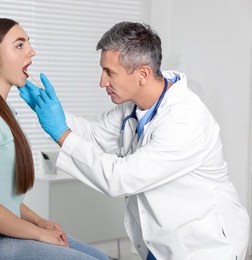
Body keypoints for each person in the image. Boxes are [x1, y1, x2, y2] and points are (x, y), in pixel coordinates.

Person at [19, 21, 250, 260]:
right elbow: (94, 136)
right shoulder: (134, 105)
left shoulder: (185, 121)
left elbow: (121, 178)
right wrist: (49, 111)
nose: (102, 82)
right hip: (161, 243)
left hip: (203, 247)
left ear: (143, 73)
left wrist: (60, 131)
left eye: (110, 72)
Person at [0, 18, 109, 260]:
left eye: (28, 44)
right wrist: (38, 234)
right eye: (19, 45)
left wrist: (40, 222)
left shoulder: (2, 112)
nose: (31, 51)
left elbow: (2, 198)